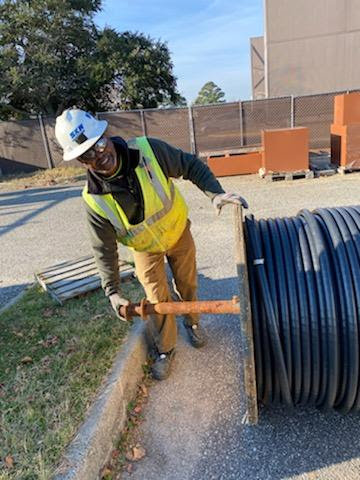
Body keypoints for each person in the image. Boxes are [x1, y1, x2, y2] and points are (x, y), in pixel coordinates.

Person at [55, 108, 248, 380]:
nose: (99, 155)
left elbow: (189, 164)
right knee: (157, 300)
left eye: (99, 143)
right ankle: (166, 349)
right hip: (145, 248)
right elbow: (104, 248)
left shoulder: (148, 151)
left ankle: (192, 323)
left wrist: (215, 194)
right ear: (81, 162)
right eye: (87, 154)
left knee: (187, 283)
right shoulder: (93, 199)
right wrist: (112, 291)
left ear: (106, 135)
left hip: (178, 232)